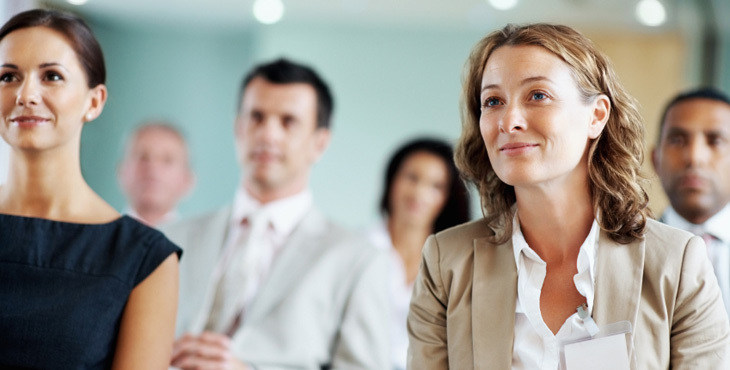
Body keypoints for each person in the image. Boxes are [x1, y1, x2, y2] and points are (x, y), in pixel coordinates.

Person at [407, 23, 730, 369]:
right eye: (493, 101)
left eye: (537, 95)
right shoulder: (446, 263)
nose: (509, 120)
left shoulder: (676, 264)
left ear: (597, 115)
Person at [163, 58, 389, 370]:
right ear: (237, 128)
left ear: (320, 143)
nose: (268, 134)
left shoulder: (358, 261)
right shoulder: (171, 238)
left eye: (288, 121)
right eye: (256, 117)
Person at [0, 9, 181, 369]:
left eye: (51, 76)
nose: (25, 94)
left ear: (94, 102)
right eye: (8, 77)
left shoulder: (145, 260)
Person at [366, 137, 470, 370]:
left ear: (448, 197)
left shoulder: (457, 263)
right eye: (412, 178)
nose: (419, 193)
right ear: (392, 179)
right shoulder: (356, 250)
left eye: (436, 186)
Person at [653, 88, 730, 317]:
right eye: (677, 140)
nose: (695, 157)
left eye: (715, 140)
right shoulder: (625, 253)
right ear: (656, 160)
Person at [118, 122, 194, 226]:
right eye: (143, 157)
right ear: (121, 171)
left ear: (187, 180)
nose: (153, 168)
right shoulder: (96, 237)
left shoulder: (200, 240)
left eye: (167, 160)